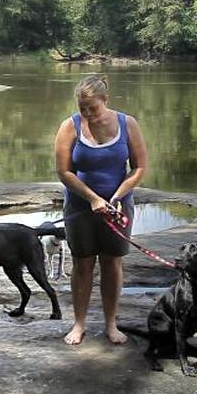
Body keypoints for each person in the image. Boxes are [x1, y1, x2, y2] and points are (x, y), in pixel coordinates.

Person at [54, 75, 149, 346]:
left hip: (118, 205)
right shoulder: (69, 126)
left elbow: (139, 167)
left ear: (105, 100)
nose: (87, 113)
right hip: (80, 206)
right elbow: (63, 172)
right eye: (82, 107)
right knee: (82, 262)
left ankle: (111, 324)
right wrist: (93, 198)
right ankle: (79, 324)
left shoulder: (127, 124)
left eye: (92, 108)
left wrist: (118, 196)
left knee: (111, 261)